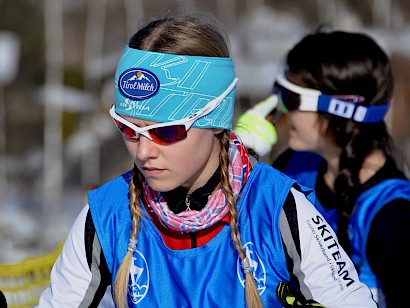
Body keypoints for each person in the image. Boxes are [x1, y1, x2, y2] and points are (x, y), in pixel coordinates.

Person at [37, 14, 378, 308]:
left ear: (214, 119)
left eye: (166, 132)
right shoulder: (107, 215)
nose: (143, 152)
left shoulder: (276, 209)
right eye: (127, 129)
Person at [235, 29, 410, 308]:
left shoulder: (391, 216)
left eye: (290, 98)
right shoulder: (296, 165)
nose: (280, 108)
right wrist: (239, 153)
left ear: (337, 109)